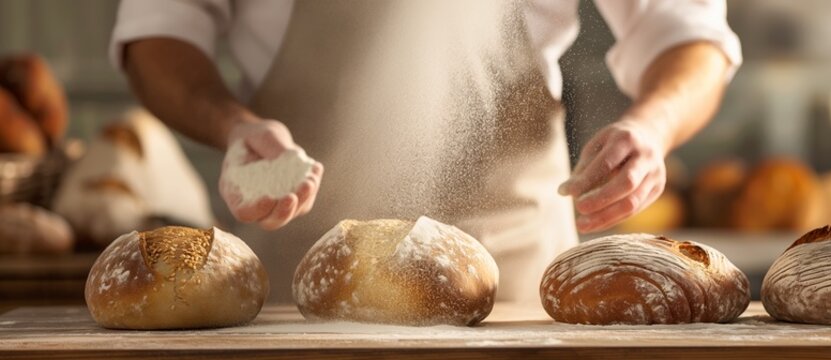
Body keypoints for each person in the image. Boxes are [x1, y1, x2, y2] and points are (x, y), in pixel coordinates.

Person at [110, 0, 741, 303]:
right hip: (296, 276)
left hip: (512, 279)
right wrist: (231, 124)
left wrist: (653, 126)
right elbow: (159, 28)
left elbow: (685, 31)